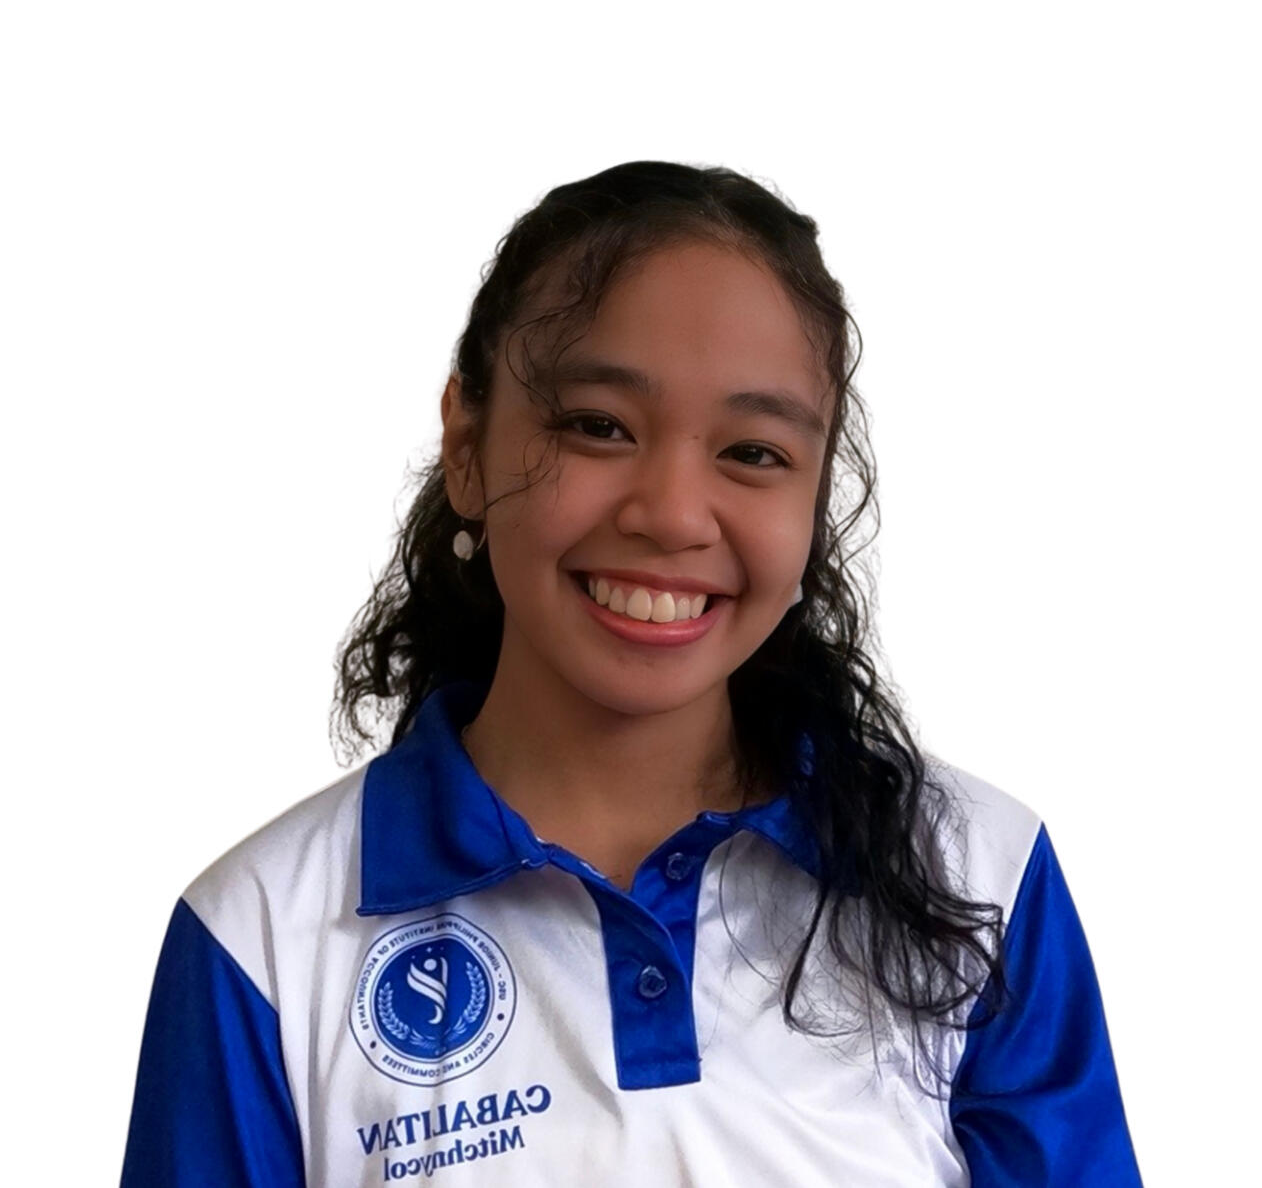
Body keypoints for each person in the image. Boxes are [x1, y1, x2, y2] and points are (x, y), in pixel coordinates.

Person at [120, 160, 1143, 1186]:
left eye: (753, 452)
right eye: (598, 427)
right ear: (466, 444)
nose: (672, 514)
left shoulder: (979, 878)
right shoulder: (263, 937)